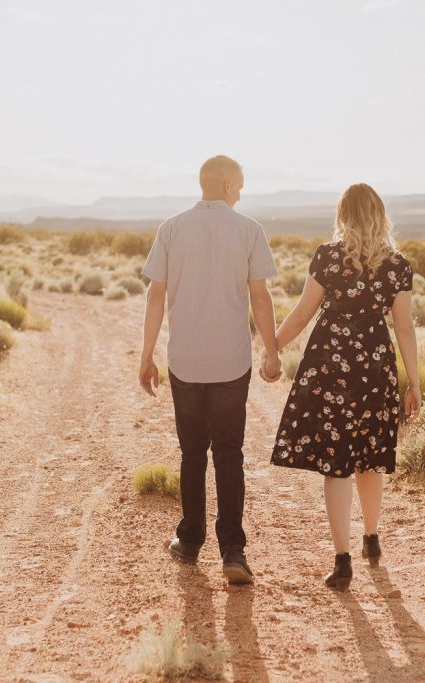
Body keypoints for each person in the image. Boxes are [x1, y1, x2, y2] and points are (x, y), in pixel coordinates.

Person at [265, 183, 420, 591]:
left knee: (336, 463)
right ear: (380, 216)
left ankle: (342, 559)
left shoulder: (328, 257)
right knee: (370, 455)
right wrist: (414, 382)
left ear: (343, 216)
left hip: (331, 367)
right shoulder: (398, 265)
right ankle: (371, 537)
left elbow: (300, 315)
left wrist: (270, 349)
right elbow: (403, 328)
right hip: (374, 366)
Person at [139, 155, 282, 585]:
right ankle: (233, 551)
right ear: (224, 184)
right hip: (230, 362)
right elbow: (260, 297)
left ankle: (190, 540)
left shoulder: (171, 228)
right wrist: (272, 352)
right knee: (229, 453)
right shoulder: (248, 230)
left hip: (185, 361)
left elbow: (154, 297)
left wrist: (145, 356)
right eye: (239, 184)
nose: (241, 192)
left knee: (191, 453)